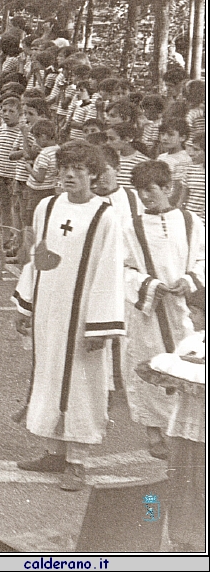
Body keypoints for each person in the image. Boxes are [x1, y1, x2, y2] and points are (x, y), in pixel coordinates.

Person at [13, 141, 128, 491]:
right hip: (49, 311)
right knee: (48, 377)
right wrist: (25, 304)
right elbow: (38, 256)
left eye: (79, 169)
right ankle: (53, 450)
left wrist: (100, 326)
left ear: (93, 173)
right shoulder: (47, 206)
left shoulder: (105, 215)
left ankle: (76, 461)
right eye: (65, 168)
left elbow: (110, 272)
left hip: (83, 318)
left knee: (81, 384)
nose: (70, 175)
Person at [124, 160, 205, 459]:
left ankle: (180, 430)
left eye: (151, 189)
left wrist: (190, 280)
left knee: (185, 364)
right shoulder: (131, 227)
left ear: (168, 188)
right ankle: (153, 432)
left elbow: (202, 258)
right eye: (140, 191)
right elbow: (123, 268)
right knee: (150, 362)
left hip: (184, 308)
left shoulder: (190, 222)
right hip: (149, 309)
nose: (145, 196)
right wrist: (148, 285)